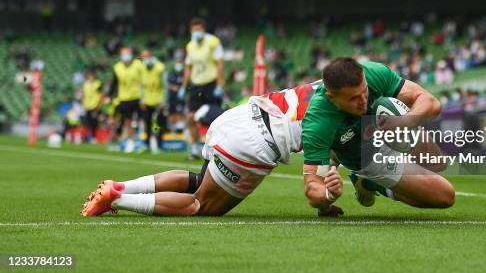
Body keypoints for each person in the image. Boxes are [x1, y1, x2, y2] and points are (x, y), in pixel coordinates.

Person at [81, 81, 330, 217]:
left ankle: (121, 186)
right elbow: (326, 163)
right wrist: (326, 202)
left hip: (238, 117)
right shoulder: (347, 108)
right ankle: (118, 199)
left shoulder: (334, 81)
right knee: (199, 205)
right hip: (255, 143)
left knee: (200, 180)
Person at [302, 58, 454, 215]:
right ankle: (370, 182)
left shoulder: (374, 73)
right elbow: (313, 188)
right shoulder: (317, 122)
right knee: (445, 196)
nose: (363, 101)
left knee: (438, 163)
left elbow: (431, 102)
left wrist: (404, 121)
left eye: (364, 91)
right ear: (331, 97)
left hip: (390, 126)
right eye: (353, 98)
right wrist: (328, 195)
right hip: (365, 155)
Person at [179, 18, 225, 159]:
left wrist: (220, 84)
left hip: (211, 84)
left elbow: (219, 64)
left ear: (203, 29)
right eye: (194, 30)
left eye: (198, 29)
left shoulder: (213, 42)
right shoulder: (190, 46)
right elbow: (188, 67)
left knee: (215, 119)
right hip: (196, 85)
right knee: (190, 117)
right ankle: (195, 149)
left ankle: (219, 149)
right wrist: (183, 86)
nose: (196, 32)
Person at [106, 46, 143, 152]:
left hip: (138, 97)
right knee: (127, 121)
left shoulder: (138, 65)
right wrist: (109, 95)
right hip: (124, 98)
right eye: (124, 54)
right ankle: (130, 141)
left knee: (142, 120)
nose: (126, 56)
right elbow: (115, 82)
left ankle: (143, 140)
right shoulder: (117, 67)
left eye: (128, 53)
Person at [140, 49, 166, 152]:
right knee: (147, 123)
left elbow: (164, 85)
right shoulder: (142, 68)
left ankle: (159, 144)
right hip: (146, 101)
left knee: (159, 124)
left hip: (158, 101)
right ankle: (147, 144)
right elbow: (141, 86)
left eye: (146, 57)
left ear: (151, 56)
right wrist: (142, 100)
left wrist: (163, 101)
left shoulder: (160, 67)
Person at [81, 68, 103, 142]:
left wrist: (99, 104)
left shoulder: (98, 83)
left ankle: (94, 137)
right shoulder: (85, 84)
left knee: (94, 122)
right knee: (87, 122)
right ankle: (87, 136)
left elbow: (101, 94)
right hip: (87, 106)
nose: (91, 77)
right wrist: (83, 103)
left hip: (95, 106)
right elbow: (84, 95)